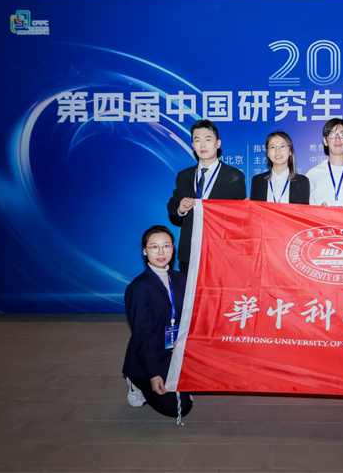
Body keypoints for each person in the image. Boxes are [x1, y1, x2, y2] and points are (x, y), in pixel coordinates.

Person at [122, 225, 193, 423]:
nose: (161, 252)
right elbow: (141, 335)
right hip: (151, 353)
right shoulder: (138, 288)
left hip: (176, 349)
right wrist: (153, 374)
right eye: (154, 247)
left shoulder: (183, 279)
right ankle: (136, 380)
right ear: (145, 251)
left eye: (166, 246)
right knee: (178, 407)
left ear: (173, 248)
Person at [167, 119, 245, 275]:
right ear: (193, 145)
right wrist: (180, 209)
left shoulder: (234, 176)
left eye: (208, 139)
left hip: (221, 253)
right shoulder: (184, 176)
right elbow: (173, 207)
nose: (202, 145)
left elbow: (238, 219)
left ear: (218, 143)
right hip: (190, 252)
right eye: (197, 140)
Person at [250, 131, 310, 204]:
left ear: (290, 151)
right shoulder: (257, 181)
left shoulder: (302, 182)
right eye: (272, 147)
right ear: (268, 153)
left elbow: (304, 210)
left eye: (282, 146)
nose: (277, 151)